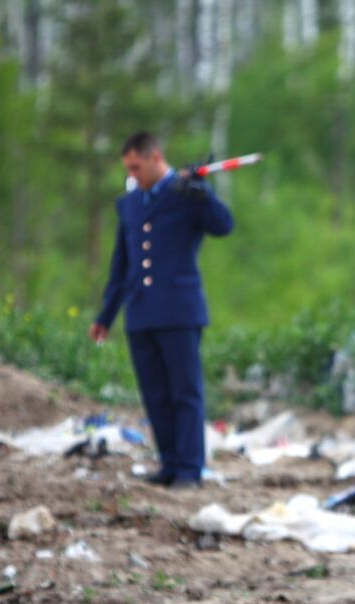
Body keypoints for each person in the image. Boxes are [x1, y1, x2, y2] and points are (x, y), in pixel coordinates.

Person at [90, 131, 234, 489]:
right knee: (154, 394)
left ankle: (189, 468)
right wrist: (106, 315)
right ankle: (169, 462)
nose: (132, 175)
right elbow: (121, 266)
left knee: (185, 393)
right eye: (128, 169)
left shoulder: (185, 193)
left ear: (156, 158)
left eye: (137, 167)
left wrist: (203, 196)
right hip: (141, 313)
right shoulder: (129, 205)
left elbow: (223, 225)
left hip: (179, 310)